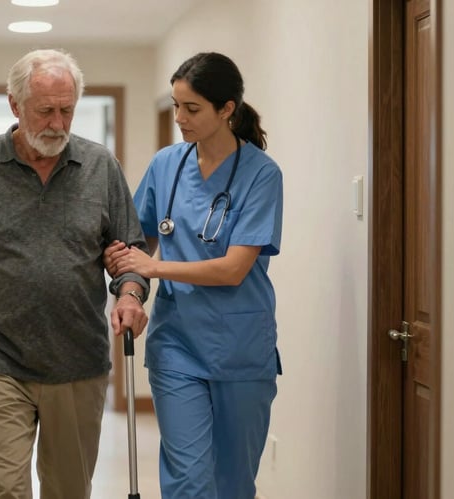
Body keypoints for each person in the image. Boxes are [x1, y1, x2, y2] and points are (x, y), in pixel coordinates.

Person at [0, 48, 150, 499]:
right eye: (45, 111)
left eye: (67, 111)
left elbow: (132, 252)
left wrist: (130, 295)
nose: (58, 124)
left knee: (68, 490)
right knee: (4, 488)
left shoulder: (101, 167)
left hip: (77, 360)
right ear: (15, 105)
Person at [104, 52, 283, 499]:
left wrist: (153, 266)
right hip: (177, 346)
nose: (179, 117)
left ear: (227, 110)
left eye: (192, 108)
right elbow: (135, 242)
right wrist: (129, 288)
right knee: (187, 480)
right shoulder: (168, 165)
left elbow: (234, 268)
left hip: (241, 350)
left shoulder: (261, 175)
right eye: (176, 105)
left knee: (233, 483)